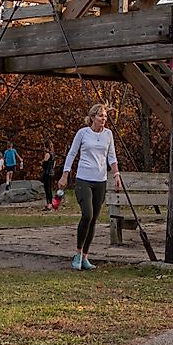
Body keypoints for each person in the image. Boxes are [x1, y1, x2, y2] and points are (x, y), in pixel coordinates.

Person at [58, 103, 122, 270]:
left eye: (105, 117)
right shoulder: (83, 133)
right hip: (83, 179)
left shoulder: (108, 134)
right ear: (93, 117)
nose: (104, 119)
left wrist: (116, 175)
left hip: (100, 180)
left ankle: (85, 257)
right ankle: (77, 253)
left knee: (93, 219)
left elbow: (112, 156)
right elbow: (72, 153)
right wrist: (65, 174)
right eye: (101, 116)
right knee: (87, 214)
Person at [41, 139, 57, 209]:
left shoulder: (47, 154)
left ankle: (49, 204)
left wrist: (42, 162)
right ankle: (51, 203)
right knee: (49, 188)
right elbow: (54, 165)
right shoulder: (53, 154)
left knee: (47, 189)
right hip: (51, 172)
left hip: (47, 173)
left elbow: (44, 163)